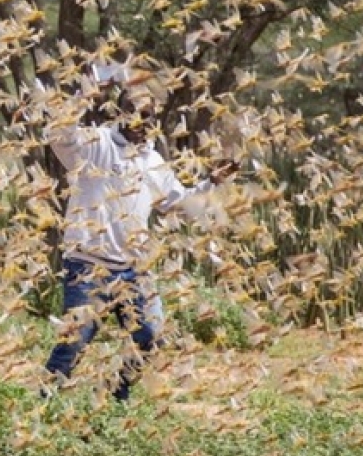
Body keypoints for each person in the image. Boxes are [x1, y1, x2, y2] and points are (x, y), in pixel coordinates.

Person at [39, 68, 236, 402]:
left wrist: (211, 182)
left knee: (150, 336)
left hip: (133, 268)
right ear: (120, 112)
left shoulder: (153, 160)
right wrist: (86, 93)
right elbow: (60, 134)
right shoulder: (96, 143)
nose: (142, 122)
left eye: (149, 116)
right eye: (136, 113)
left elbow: (176, 202)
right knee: (76, 340)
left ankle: (115, 396)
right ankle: (45, 406)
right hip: (88, 265)